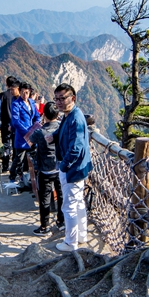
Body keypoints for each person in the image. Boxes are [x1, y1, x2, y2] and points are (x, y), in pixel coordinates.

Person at [53, 83, 92, 252]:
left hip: (72, 169)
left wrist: (64, 166)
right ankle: (81, 235)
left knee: (68, 206)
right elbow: (63, 131)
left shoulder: (75, 118)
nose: (59, 102)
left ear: (72, 98)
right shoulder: (71, 114)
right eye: (56, 99)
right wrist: (53, 136)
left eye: (62, 98)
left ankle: (70, 242)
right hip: (78, 167)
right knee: (78, 203)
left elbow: (76, 147)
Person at [29, 102, 64, 235]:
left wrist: (39, 125)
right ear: (57, 114)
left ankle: (45, 226)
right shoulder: (61, 127)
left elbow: (30, 140)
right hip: (60, 168)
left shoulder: (40, 131)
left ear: (44, 115)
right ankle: (61, 221)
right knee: (61, 195)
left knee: (44, 198)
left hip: (45, 169)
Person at [10, 82, 40, 186]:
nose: (24, 95)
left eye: (26, 92)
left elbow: (36, 115)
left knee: (33, 157)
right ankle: (13, 176)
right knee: (19, 158)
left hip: (32, 133)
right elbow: (15, 121)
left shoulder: (31, 102)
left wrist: (36, 124)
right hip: (22, 135)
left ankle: (31, 178)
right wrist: (26, 132)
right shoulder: (16, 104)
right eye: (22, 92)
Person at [0, 77, 18, 173]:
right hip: (15, 125)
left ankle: (5, 166)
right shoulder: (17, 97)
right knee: (15, 145)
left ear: (6, 84)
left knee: (6, 145)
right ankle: (14, 166)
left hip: (5, 124)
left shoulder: (2, 95)